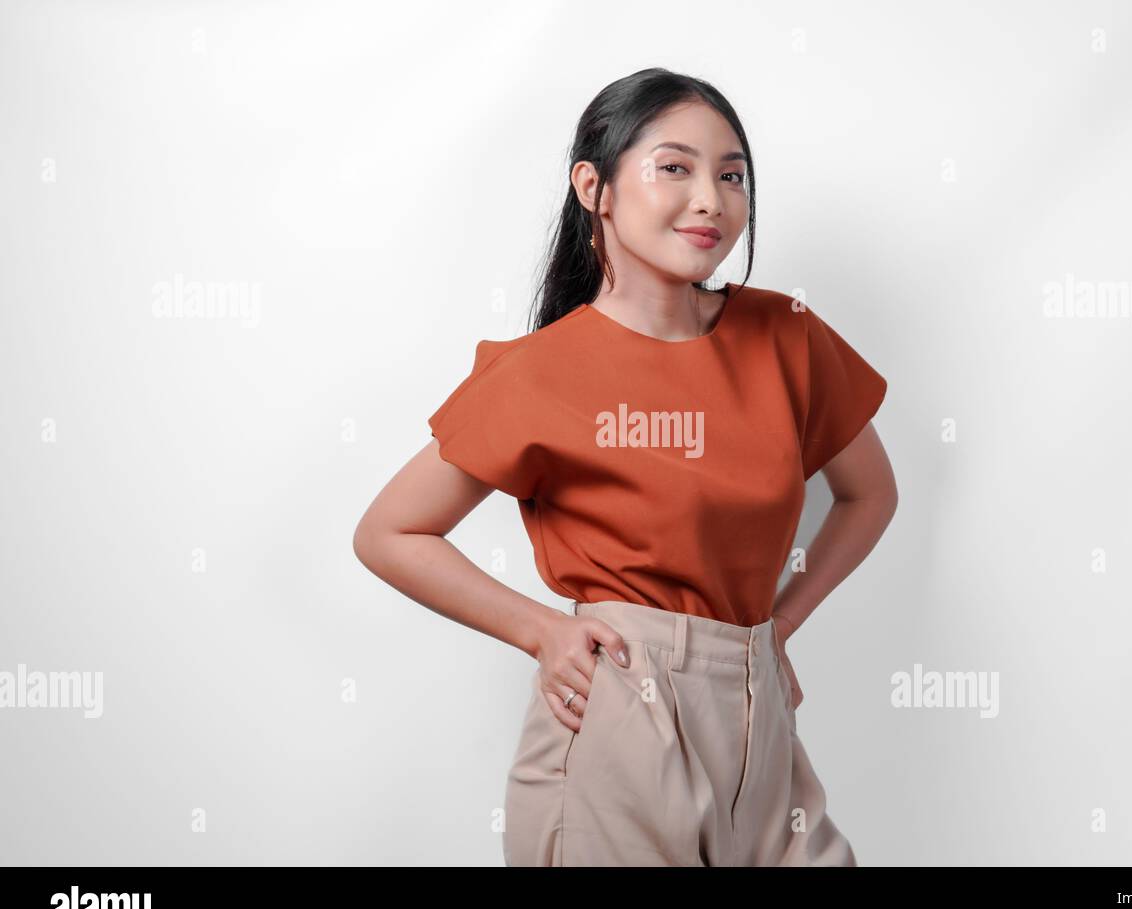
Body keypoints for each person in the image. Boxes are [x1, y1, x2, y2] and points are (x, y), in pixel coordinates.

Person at [353, 67, 897, 866]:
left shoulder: (786, 337)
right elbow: (390, 531)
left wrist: (778, 628)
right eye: (675, 167)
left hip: (761, 719)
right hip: (622, 716)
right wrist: (540, 632)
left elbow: (869, 496)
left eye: (732, 174)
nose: (711, 197)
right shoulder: (540, 374)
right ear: (594, 187)